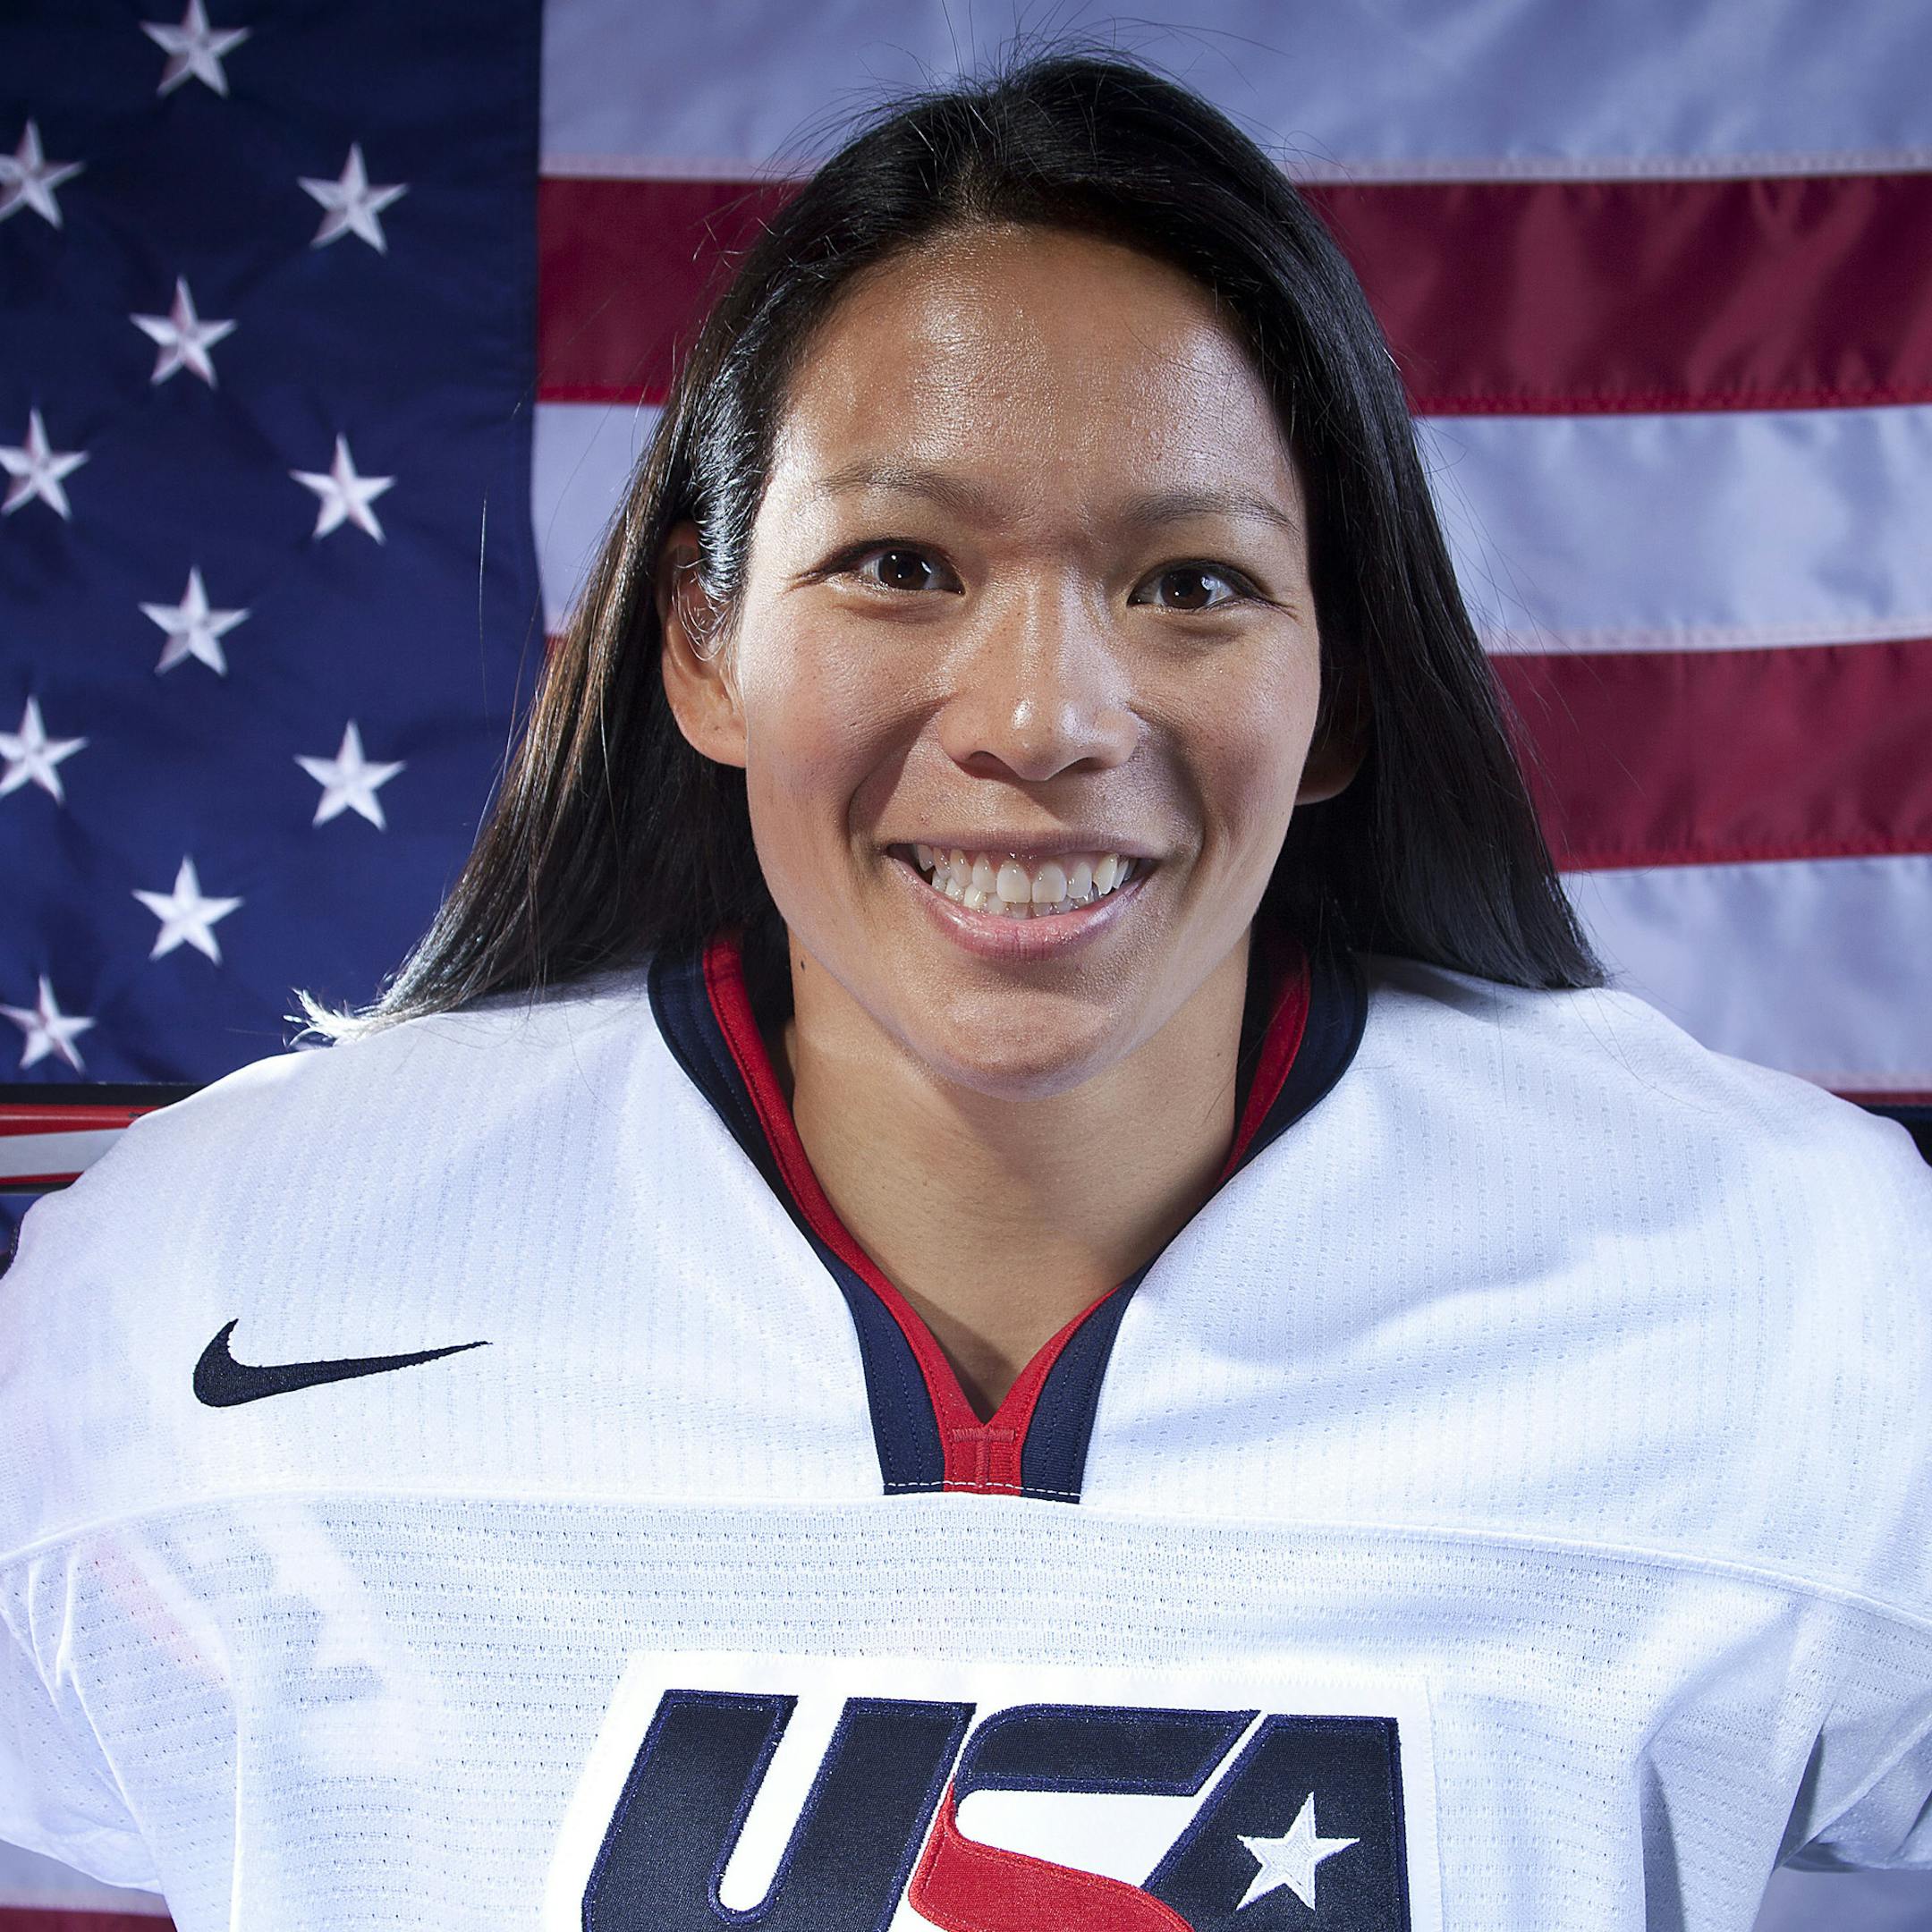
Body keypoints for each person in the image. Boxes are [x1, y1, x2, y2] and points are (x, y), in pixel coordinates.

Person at [3, 47, 1929, 1932]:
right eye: (902, 563)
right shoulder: (207, 1275)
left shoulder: (1789, 1283)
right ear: (703, 644)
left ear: (1341, 680)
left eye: (1191, 585)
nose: (1042, 718)